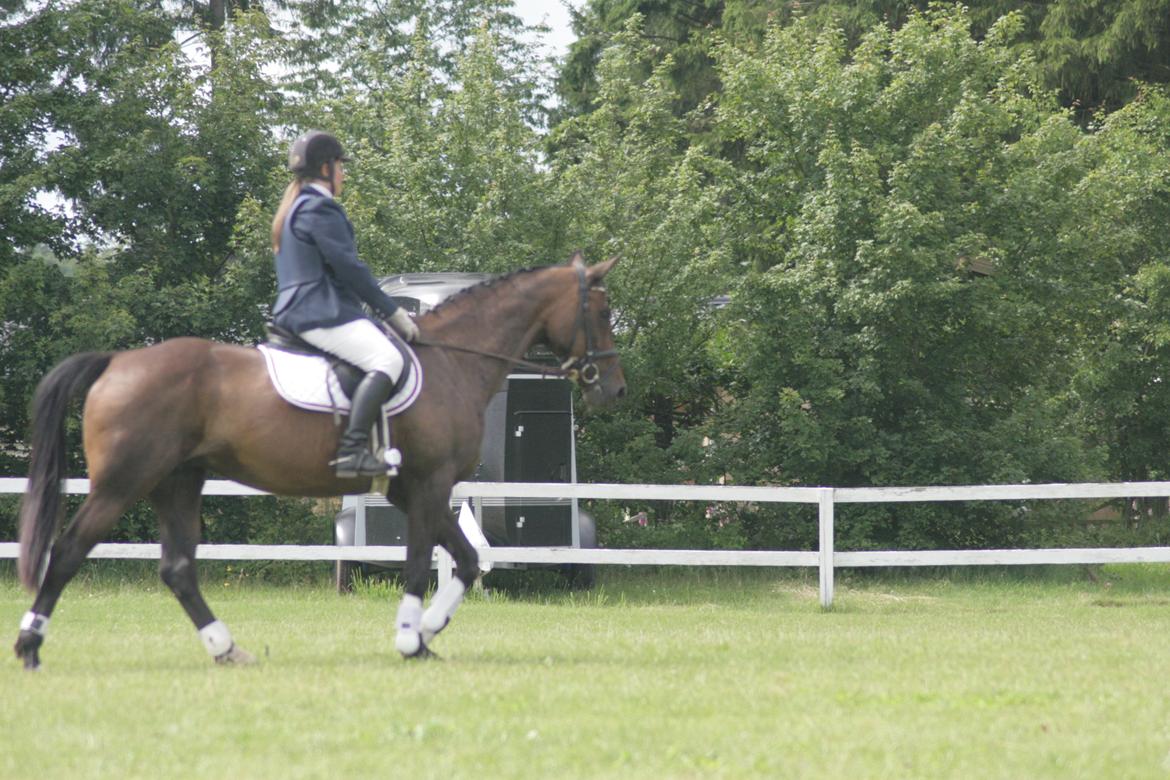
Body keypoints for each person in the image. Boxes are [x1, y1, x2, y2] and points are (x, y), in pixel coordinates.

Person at [270, 130, 420, 478]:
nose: (344, 174)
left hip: (300, 309)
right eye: (340, 166)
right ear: (326, 168)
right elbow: (349, 269)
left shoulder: (294, 208)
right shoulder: (319, 207)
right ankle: (352, 450)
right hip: (319, 312)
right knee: (388, 359)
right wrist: (392, 311)